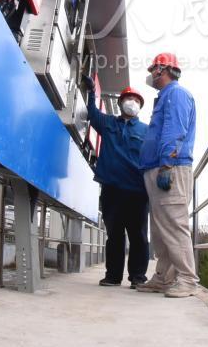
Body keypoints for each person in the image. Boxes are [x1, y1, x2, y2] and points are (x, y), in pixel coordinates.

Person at [135, 52, 199, 298]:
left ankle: (187, 279)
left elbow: (175, 130)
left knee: (174, 224)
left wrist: (166, 164)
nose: (152, 74)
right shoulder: (165, 96)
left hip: (169, 167)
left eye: (154, 69)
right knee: (161, 230)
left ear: (164, 69)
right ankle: (164, 277)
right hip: (159, 166)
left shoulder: (176, 94)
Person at [83, 76, 150, 289]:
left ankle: (138, 277)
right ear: (120, 103)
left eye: (136, 100)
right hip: (112, 189)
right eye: (129, 99)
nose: (132, 102)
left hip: (138, 192)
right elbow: (92, 114)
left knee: (139, 236)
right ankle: (113, 276)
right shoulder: (109, 123)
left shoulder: (147, 131)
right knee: (114, 235)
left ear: (140, 106)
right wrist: (91, 92)